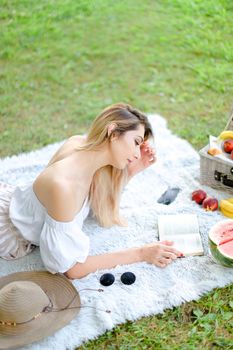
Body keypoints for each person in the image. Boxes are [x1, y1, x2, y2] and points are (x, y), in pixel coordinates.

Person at [0, 103, 182, 279]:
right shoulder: (63, 186)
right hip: (9, 232)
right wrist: (142, 253)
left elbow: (98, 203)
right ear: (112, 132)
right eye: (136, 142)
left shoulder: (82, 148)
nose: (136, 153)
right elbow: (71, 269)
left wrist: (131, 171)